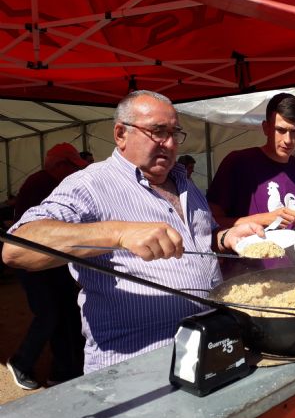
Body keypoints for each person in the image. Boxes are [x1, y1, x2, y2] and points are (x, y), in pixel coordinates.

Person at [2, 90, 263, 374]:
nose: (170, 143)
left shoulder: (184, 183)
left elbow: (201, 238)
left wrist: (227, 237)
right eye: (158, 132)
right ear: (120, 134)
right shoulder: (90, 184)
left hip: (208, 347)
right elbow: (17, 248)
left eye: (175, 133)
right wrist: (119, 233)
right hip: (136, 366)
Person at [6, 144, 88, 390]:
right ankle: (22, 361)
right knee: (50, 314)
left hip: (51, 264)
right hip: (35, 265)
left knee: (65, 314)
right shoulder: (42, 184)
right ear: (61, 165)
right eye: (74, 167)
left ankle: (64, 370)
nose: (76, 173)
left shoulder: (47, 182)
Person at [207, 93, 295, 230]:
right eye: (280, 130)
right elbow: (210, 223)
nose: (288, 140)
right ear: (266, 128)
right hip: (246, 251)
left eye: (294, 131)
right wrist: (262, 219)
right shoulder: (237, 163)